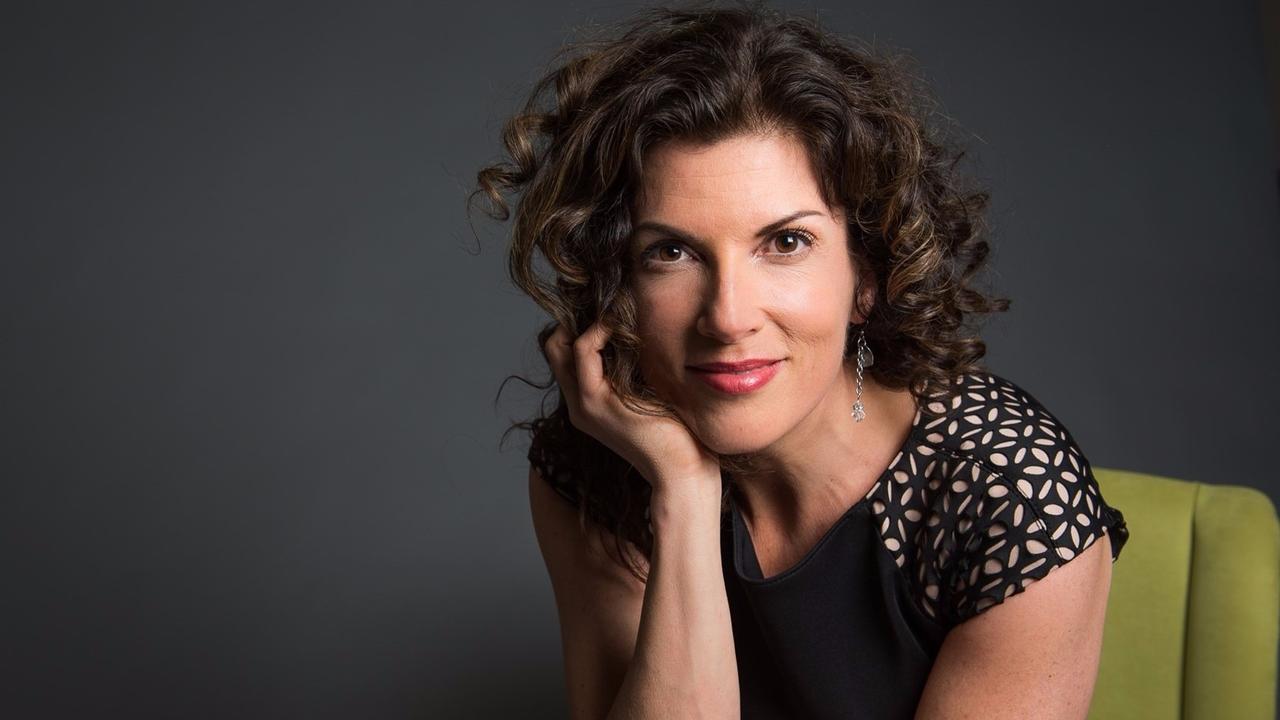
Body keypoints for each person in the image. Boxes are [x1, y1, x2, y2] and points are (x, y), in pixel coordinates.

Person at [472, 3, 1130, 718]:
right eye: (672, 252)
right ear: (617, 283)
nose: (728, 316)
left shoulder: (1011, 498)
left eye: (785, 243)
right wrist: (684, 493)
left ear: (867, 276)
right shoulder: (599, 465)